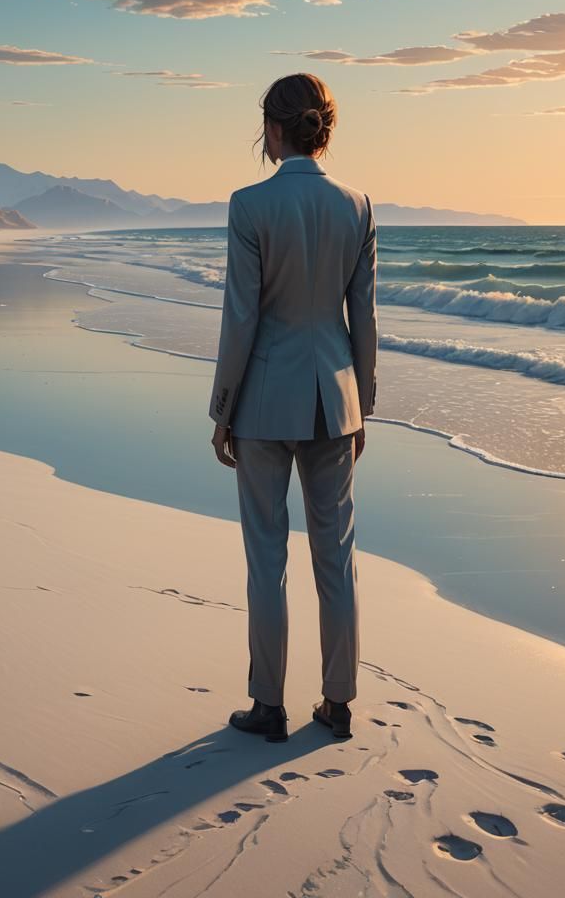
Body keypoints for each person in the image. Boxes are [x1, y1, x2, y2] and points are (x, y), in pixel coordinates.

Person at [209, 72, 377, 743]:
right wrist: (360, 403)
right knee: (336, 557)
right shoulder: (358, 205)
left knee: (267, 560)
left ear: (273, 130)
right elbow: (362, 316)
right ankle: (338, 705)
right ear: (323, 129)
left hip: (263, 406)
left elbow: (241, 319)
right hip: (334, 403)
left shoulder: (249, 206)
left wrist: (223, 408)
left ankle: (268, 707)